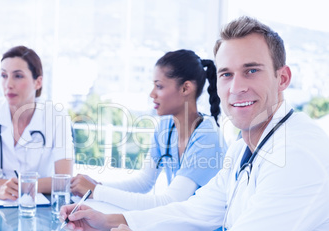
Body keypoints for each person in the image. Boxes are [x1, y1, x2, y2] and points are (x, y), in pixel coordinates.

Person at [60, 16, 329, 231]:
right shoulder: (243, 148)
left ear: (282, 78)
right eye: (226, 74)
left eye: (252, 70)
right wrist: (108, 222)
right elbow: (194, 211)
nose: (236, 87)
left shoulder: (297, 155)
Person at [70, 49, 226, 213]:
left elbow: (169, 202)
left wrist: (98, 192)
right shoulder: (165, 126)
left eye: (159, 86)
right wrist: (96, 186)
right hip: (179, 228)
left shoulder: (207, 137)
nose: (152, 94)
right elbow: (144, 182)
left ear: (186, 88)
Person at [0, 45, 74, 201]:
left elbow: (64, 180)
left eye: (18, 76)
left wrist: (16, 185)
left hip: (38, 209)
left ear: (38, 82)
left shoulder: (56, 116)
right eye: (4, 75)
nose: (8, 84)